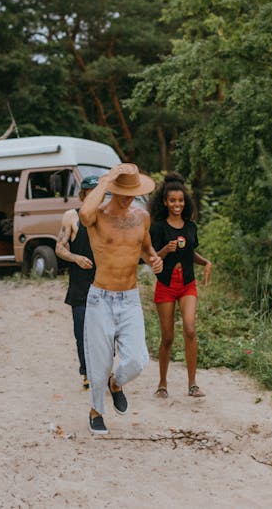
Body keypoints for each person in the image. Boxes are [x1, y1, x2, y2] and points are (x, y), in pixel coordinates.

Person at [79, 163, 163, 435]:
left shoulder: (141, 216)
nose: (129, 197)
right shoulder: (98, 216)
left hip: (129, 298)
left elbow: (145, 249)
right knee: (99, 361)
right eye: (123, 191)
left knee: (138, 360)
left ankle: (115, 384)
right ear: (113, 189)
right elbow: (83, 214)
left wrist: (154, 259)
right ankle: (96, 411)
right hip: (100, 298)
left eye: (133, 192)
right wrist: (106, 180)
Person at [148, 172, 212, 399]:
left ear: (185, 202)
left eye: (181, 200)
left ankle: (193, 384)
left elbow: (190, 253)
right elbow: (152, 257)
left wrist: (204, 261)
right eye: (173, 200)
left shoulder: (191, 227)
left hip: (187, 284)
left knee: (190, 329)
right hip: (165, 284)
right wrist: (166, 250)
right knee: (167, 337)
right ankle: (162, 384)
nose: (177, 204)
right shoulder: (156, 228)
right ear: (165, 202)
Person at [55, 174, 100, 391]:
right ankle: (87, 373)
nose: (95, 198)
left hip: (104, 283)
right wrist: (76, 258)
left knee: (105, 332)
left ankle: (105, 370)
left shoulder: (107, 217)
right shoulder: (71, 217)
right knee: (81, 331)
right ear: (83, 195)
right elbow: (59, 247)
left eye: (98, 194)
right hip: (80, 284)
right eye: (91, 194)